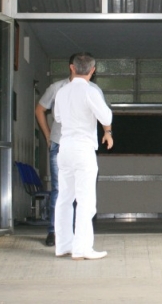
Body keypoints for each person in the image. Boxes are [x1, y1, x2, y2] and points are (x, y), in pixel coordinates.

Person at [35, 54, 105, 247]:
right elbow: (40, 109)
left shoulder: (94, 90)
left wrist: (107, 131)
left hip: (82, 146)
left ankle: (78, 236)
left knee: (80, 191)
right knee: (61, 189)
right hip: (60, 144)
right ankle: (55, 232)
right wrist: (48, 136)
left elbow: (101, 116)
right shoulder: (57, 88)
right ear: (71, 68)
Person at [53, 52, 113, 260]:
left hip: (65, 148)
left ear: (72, 68)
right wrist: (108, 131)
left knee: (64, 198)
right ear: (93, 70)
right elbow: (105, 116)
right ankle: (82, 249)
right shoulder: (90, 91)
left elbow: (58, 117)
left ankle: (63, 246)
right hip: (83, 149)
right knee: (85, 200)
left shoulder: (61, 92)